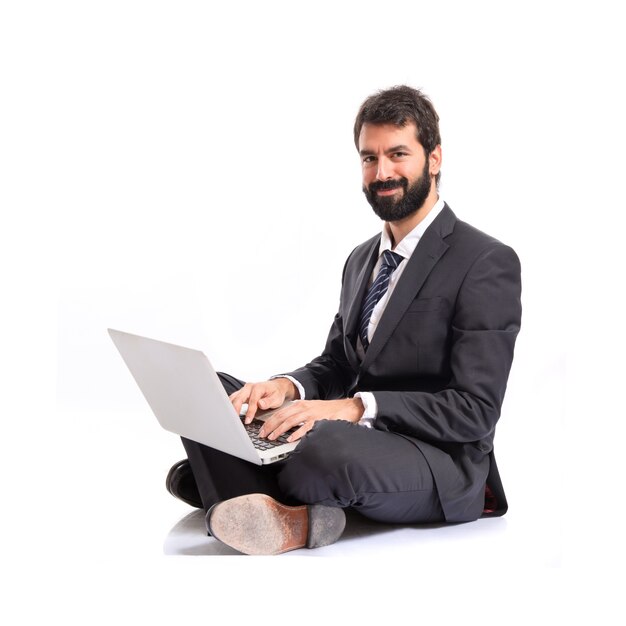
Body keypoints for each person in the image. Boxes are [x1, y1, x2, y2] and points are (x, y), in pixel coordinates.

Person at [166, 85, 522, 555]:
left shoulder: (485, 261)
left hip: (437, 461)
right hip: (353, 437)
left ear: (433, 158)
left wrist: (354, 408)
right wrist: (288, 388)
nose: (382, 172)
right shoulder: (362, 260)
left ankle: (241, 487)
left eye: (398, 154)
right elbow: (337, 364)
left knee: (324, 449)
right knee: (218, 393)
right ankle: (273, 497)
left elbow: (475, 410)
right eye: (369, 158)